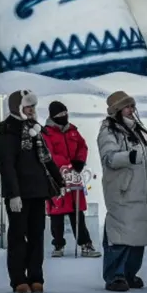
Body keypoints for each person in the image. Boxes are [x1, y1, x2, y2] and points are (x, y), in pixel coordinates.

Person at [0, 89, 63, 293]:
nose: (32, 110)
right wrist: (14, 193)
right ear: (17, 108)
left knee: (36, 235)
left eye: (33, 106)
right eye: (27, 106)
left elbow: (46, 158)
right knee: (18, 237)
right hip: (19, 193)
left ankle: (36, 276)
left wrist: (59, 183)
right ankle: (18, 278)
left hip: (37, 191)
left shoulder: (35, 129)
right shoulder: (9, 131)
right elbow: (7, 165)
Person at [97, 91, 147, 291]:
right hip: (122, 191)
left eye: (133, 106)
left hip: (138, 192)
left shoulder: (134, 130)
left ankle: (129, 273)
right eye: (128, 107)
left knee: (136, 235)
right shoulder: (109, 131)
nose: (132, 110)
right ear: (117, 110)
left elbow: (138, 157)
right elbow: (110, 158)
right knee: (120, 234)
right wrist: (130, 156)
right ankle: (114, 275)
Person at [41, 101, 99, 258]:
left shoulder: (73, 131)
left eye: (65, 114)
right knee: (57, 211)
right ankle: (58, 243)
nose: (63, 117)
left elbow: (82, 146)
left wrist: (79, 161)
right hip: (56, 176)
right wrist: (66, 164)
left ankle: (85, 243)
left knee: (77, 210)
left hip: (74, 175)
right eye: (59, 115)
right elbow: (49, 153)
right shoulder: (46, 133)